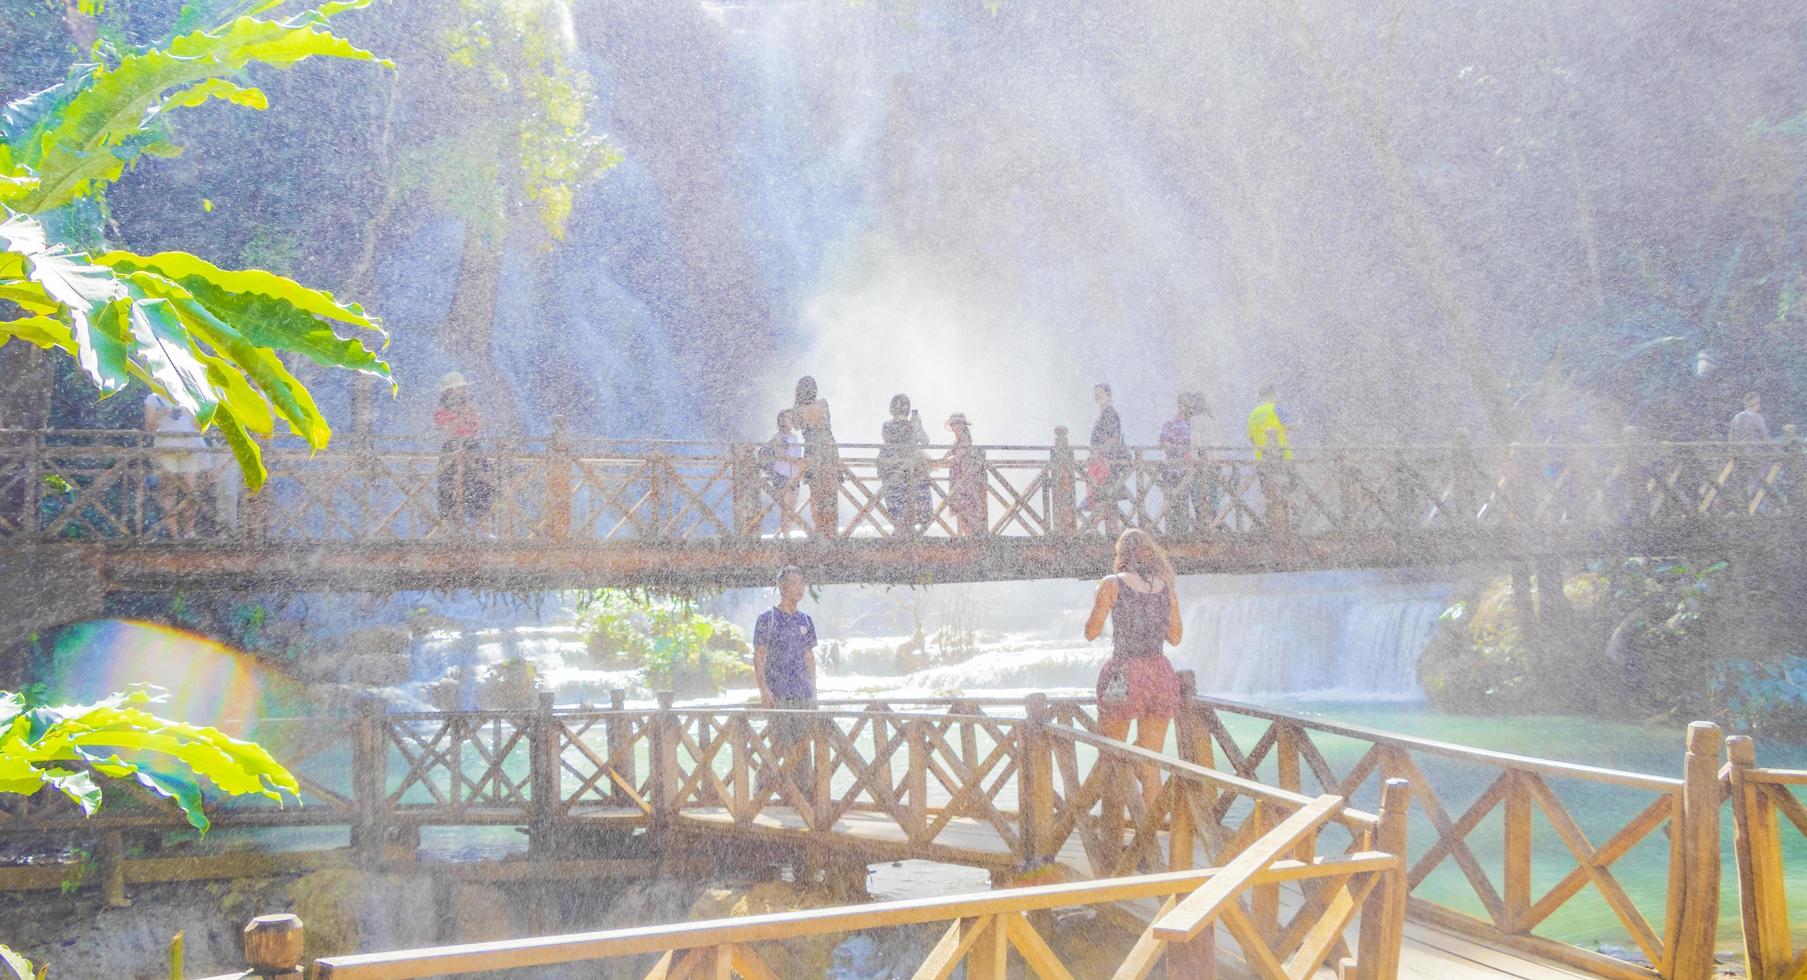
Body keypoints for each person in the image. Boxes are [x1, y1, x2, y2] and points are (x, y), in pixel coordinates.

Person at [1083, 529, 1184, 810]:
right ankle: (1150, 837)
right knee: (1150, 762)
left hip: (1123, 674)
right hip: (1160, 675)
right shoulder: (1166, 586)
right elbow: (1175, 637)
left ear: (1121, 555)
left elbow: (1091, 631)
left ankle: (1112, 836)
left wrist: (1099, 604)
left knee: (1111, 756)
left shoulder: (1111, 584)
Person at [753, 566, 818, 795]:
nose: (799, 589)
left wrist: (814, 692)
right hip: (778, 692)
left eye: (802, 584)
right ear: (782, 587)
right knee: (781, 744)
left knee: (803, 745)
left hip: (802, 693)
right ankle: (761, 787)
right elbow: (758, 656)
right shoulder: (767, 619)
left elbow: (809, 658)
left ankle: (803, 794)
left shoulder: (806, 621)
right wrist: (764, 691)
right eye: (794, 584)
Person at [144, 389, 211, 538]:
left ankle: (189, 530)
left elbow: (200, 426)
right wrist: (161, 413)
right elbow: (149, 426)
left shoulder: (189, 396)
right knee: (168, 490)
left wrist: (189, 411)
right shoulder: (153, 399)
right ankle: (173, 533)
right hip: (165, 448)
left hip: (190, 446)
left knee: (191, 490)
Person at [433, 372, 494, 531]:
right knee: (450, 487)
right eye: (458, 389)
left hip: (471, 448)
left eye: (462, 389)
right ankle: (452, 527)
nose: (462, 392)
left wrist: (470, 414)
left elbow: (479, 427)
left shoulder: (470, 407)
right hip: (452, 449)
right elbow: (445, 428)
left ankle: (482, 526)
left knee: (481, 485)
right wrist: (460, 416)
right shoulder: (442, 411)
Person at [1158, 392, 1211, 536]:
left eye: (1189, 405)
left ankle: (1186, 532)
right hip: (1174, 471)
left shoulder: (1192, 424)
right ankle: (1173, 534)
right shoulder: (1170, 423)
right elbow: (1163, 442)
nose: (1187, 407)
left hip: (1189, 472)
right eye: (1184, 404)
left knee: (1186, 502)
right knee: (1173, 502)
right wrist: (1176, 450)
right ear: (1179, 405)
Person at [794, 376, 840, 535]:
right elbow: (827, 423)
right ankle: (831, 528)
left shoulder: (799, 410)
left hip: (813, 450)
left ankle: (820, 528)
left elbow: (796, 426)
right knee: (831, 491)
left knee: (817, 492)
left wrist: (797, 403)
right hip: (829, 447)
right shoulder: (823, 403)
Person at [878, 394, 931, 533]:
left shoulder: (886, 426)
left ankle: (901, 532)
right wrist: (917, 425)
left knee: (898, 506)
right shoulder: (911, 426)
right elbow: (925, 441)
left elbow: (890, 440)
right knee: (912, 504)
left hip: (891, 470)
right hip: (910, 472)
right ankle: (908, 534)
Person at [1247, 384, 1293, 531]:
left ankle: (1270, 522)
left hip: (1261, 460)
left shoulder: (1253, 414)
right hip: (1282, 457)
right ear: (1271, 395)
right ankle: (1284, 524)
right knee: (1289, 488)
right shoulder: (1277, 409)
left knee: (1268, 492)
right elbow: (1289, 426)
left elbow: (1251, 438)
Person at [1087, 383, 1127, 535]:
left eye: (1100, 393)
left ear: (1108, 395)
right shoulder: (1103, 414)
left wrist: (1099, 453)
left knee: (1104, 494)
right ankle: (1111, 532)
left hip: (1107, 462)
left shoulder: (1110, 413)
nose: (1097, 396)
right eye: (1095, 393)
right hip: (1102, 460)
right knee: (1107, 497)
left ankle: (1094, 527)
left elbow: (1113, 438)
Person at [936, 412, 985, 536]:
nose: (953, 427)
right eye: (952, 424)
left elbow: (958, 457)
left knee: (964, 507)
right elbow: (949, 454)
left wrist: (942, 463)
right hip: (958, 476)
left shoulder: (965, 439)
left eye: (955, 424)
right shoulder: (958, 440)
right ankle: (962, 535)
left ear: (962, 425)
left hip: (963, 477)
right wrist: (939, 462)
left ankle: (968, 535)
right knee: (960, 506)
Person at [759, 409, 807, 536]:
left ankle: (787, 533)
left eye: (792, 417)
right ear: (781, 421)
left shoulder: (794, 437)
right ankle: (785, 534)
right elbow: (780, 455)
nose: (791, 420)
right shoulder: (778, 437)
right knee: (786, 506)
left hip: (794, 475)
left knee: (791, 506)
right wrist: (797, 461)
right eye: (788, 417)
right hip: (782, 474)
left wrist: (799, 464)